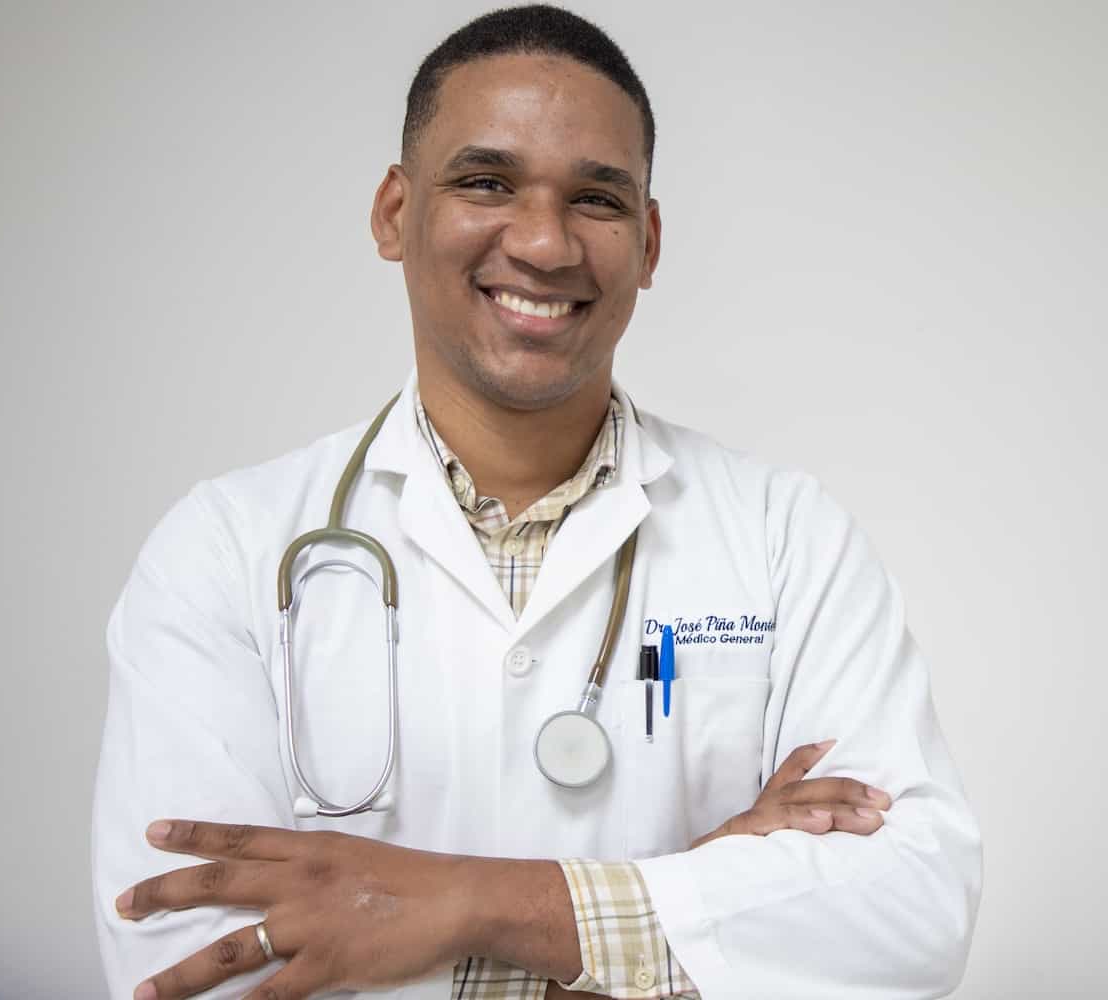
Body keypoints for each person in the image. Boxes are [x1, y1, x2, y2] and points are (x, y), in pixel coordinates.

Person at [91, 6, 982, 998]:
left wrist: (463, 903)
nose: (546, 243)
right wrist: (699, 892)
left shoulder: (787, 537)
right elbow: (187, 970)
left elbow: (914, 911)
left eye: (596, 199)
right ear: (395, 212)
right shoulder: (224, 549)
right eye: (486, 182)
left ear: (646, 242)